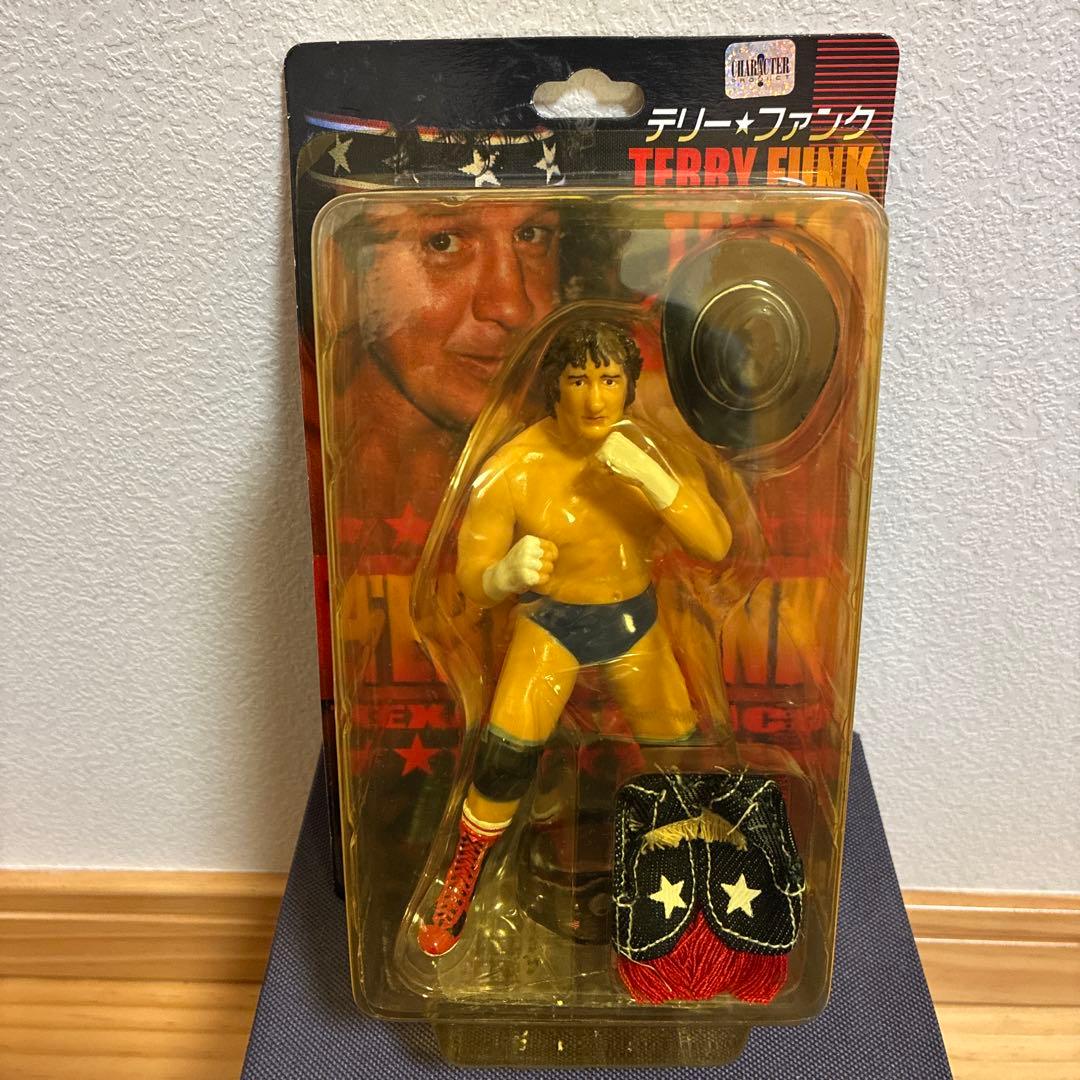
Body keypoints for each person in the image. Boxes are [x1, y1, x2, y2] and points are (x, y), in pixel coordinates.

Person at [418, 320, 734, 956]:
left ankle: (704, 889)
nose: (594, 398)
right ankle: (462, 884)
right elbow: (472, 583)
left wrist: (654, 480)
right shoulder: (513, 466)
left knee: (679, 758)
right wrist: (505, 574)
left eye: (609, 380)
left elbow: (716, 545)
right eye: (579, 380)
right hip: (550, 628)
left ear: (628, 387)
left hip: (633, 624)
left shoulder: (654, 454)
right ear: (554, 387)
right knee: (504, 757)